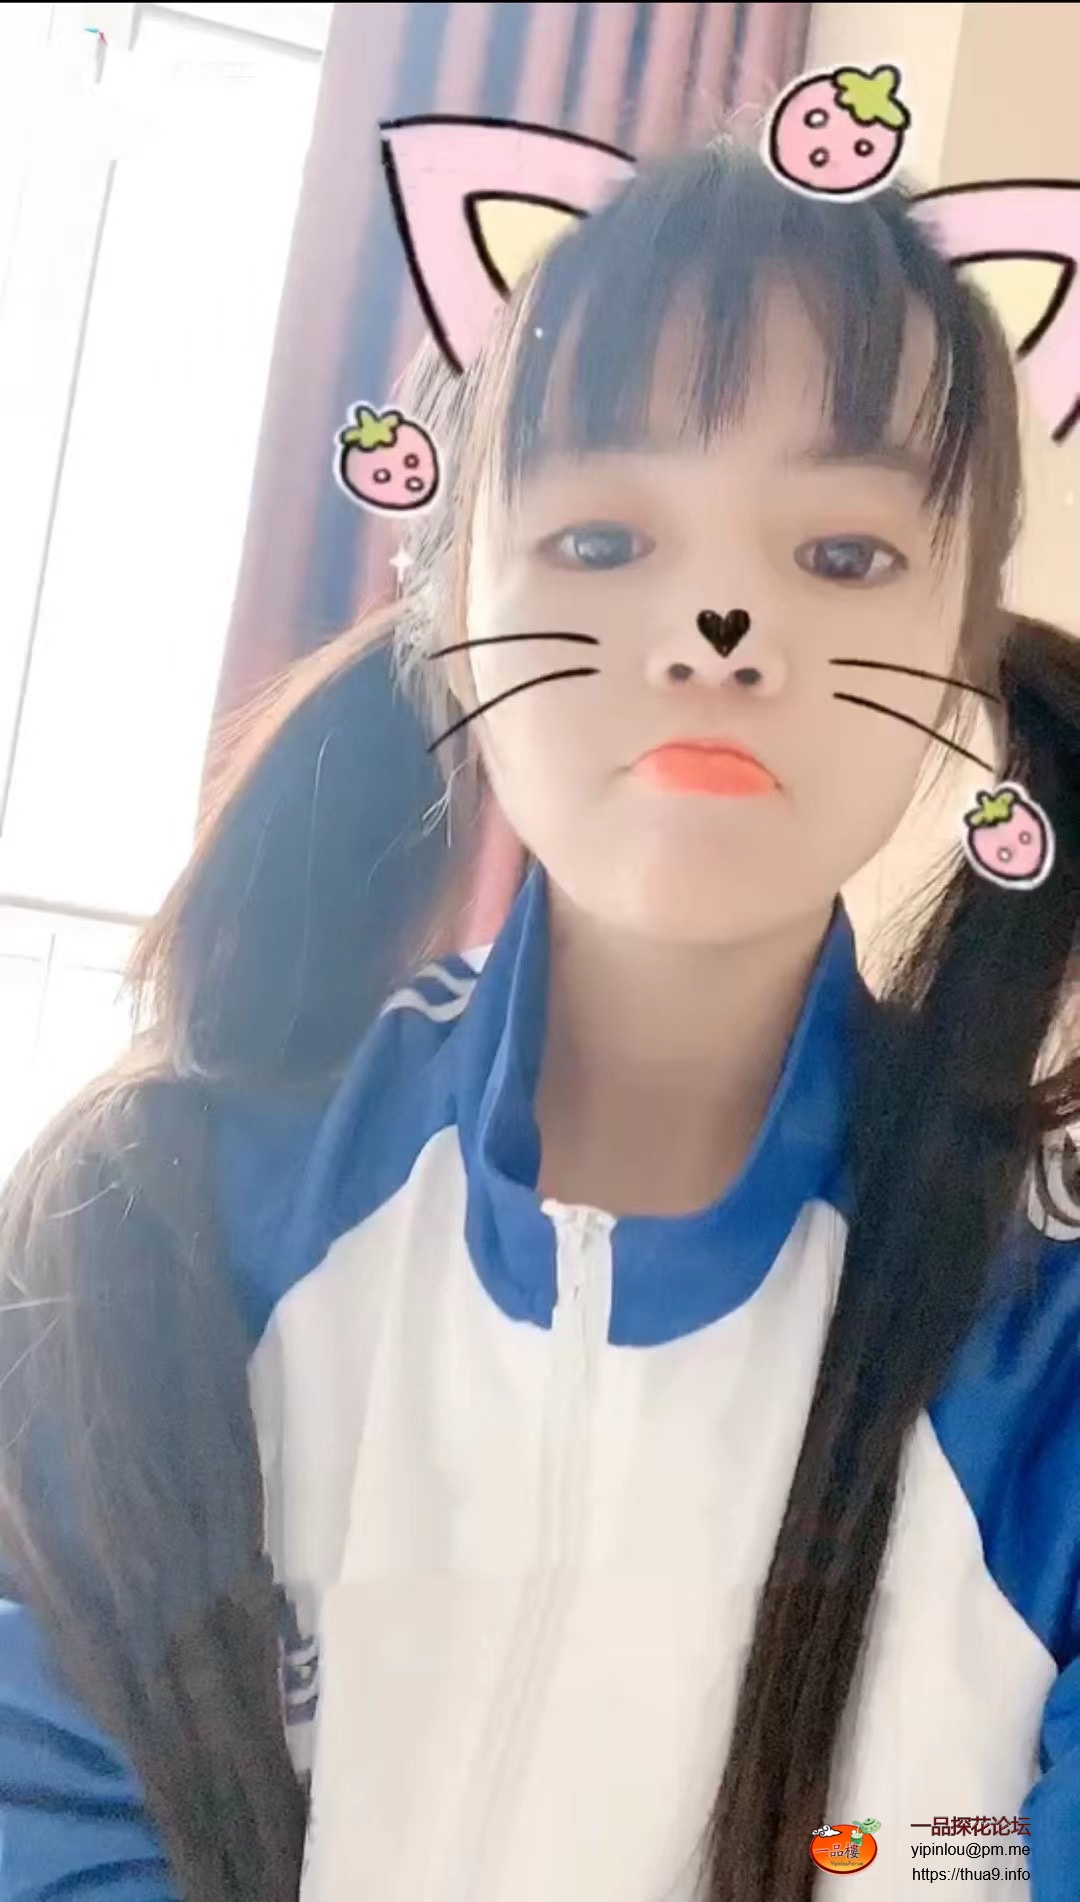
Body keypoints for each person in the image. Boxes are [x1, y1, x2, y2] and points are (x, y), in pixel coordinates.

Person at [1, 139, 1078, 1902]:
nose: (724, 633)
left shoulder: (1047, 1370)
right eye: (599, 538)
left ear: (962, 654)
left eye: (842, 550)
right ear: (453, 610)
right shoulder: (146, 1229)